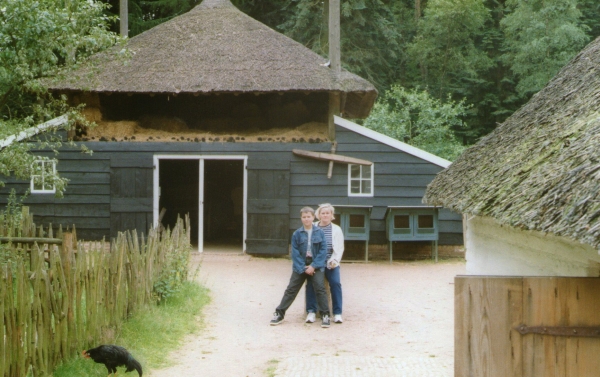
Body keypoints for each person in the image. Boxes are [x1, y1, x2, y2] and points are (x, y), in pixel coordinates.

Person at [270, 207, 331, 328]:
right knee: (291, 289)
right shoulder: (297, 234)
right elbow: (295, 252)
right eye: (304, 217)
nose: (306, 219)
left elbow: (323, 251)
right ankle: (279, 313)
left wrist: (313, 266)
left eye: (309, 216)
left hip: (316, 265)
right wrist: (303, 267)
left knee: (320, 288)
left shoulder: (320, 232)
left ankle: (325, 315)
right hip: (301, 265)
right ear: (301, 218)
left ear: (313, 217)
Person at [305, 203, 344, 324]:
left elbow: (339, 248)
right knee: (311, 284)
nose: (325, 215)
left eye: (328, 213)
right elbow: (308, 245)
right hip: (316, 262)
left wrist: (334, 261)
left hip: (330, 262)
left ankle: (337, 313)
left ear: (331, 215)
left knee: (336, 283)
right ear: (318, 215)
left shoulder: (336, 229)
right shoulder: (313, 226)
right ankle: (311, 311)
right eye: (323, 213)